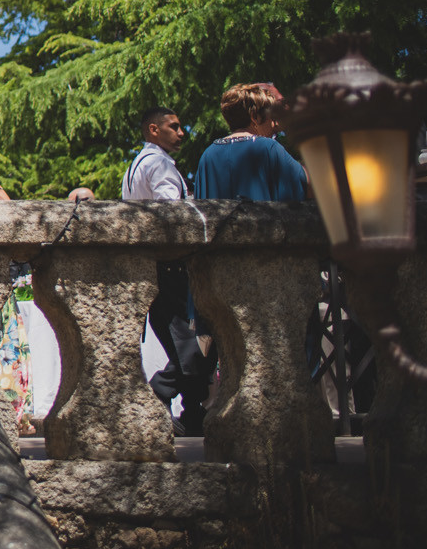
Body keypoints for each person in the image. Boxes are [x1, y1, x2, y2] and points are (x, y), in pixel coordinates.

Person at [122, 106, 208, 434]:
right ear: (154, 130)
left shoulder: (138, 164)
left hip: (154, 268)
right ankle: (156, 397)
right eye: (174, 126)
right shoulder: (157, 164)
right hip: (170, 268)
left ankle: (191, 412)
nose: (181, 132)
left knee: (186, 346)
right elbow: (172, 215)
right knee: (193, 346)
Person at [193, 83, 308, 202]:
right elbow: (307, 185)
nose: (274, 124)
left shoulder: (208, 155)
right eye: (272, 117)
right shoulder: (268, 148)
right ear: (255, 117)